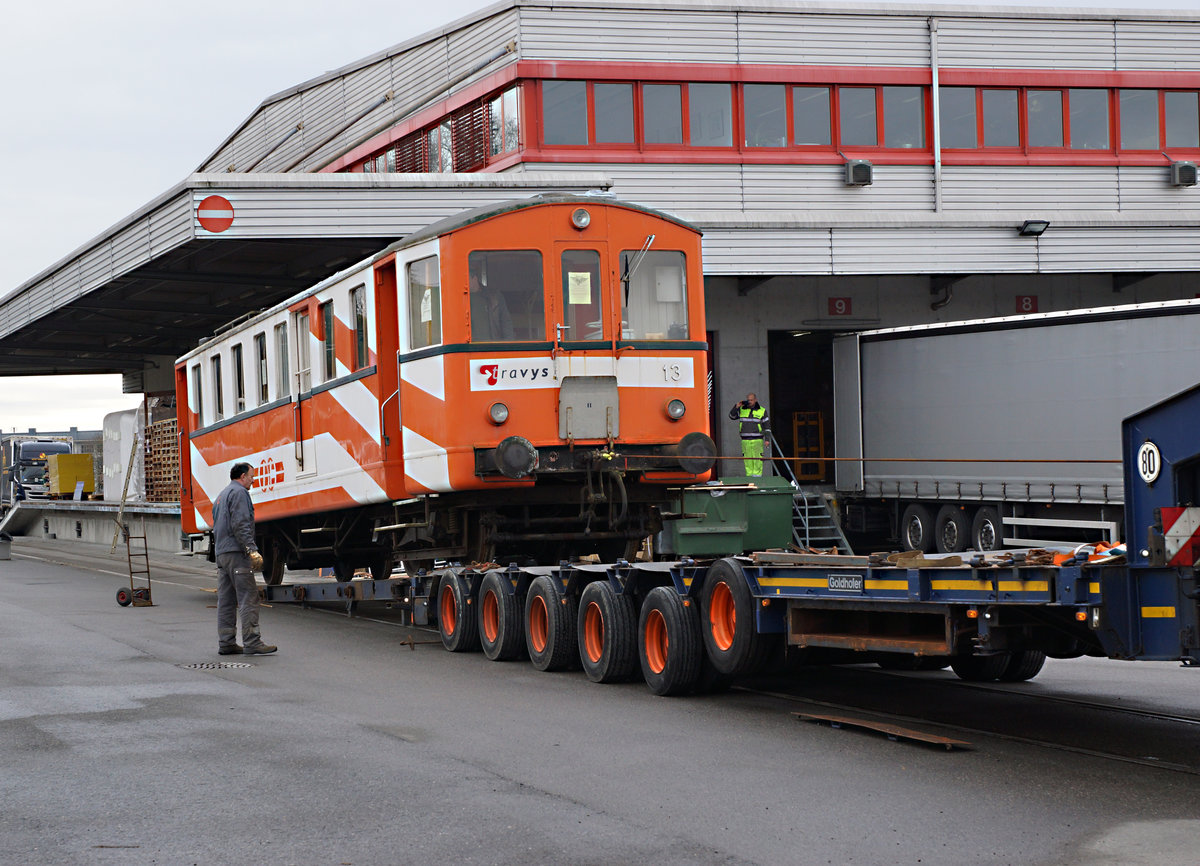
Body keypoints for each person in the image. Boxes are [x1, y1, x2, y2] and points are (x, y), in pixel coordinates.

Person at [212, 461, 276, 655]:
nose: (253, 481)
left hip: (222, 554)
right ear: (242, 476)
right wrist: (251, 550)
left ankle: (226, 642)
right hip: (237, 554)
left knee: (226, 600)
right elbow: (240, 524)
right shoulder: (240, 493)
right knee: (248, 597)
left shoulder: (221, 496)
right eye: (251, 476)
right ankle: (252, 641)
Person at [729, 393, 769, 476]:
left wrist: (767, 439)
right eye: (748, 400)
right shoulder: (742, 409)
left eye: (751, 400)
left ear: (755, 400)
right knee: (747, 461)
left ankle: (757, 478)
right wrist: (736, 406)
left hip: (757, 440)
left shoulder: (762, 410)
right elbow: (731, 416)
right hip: (745, 441)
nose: (749, 401)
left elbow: (767, 426)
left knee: (758, 460)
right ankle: (750, 478)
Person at [469, 271, 514, 341]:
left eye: (466, 279)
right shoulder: (461, 300)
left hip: (492, 345)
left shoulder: (494, 296)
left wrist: (509, 343)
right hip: (471, 346)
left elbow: (505, 321)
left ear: (475, 278)